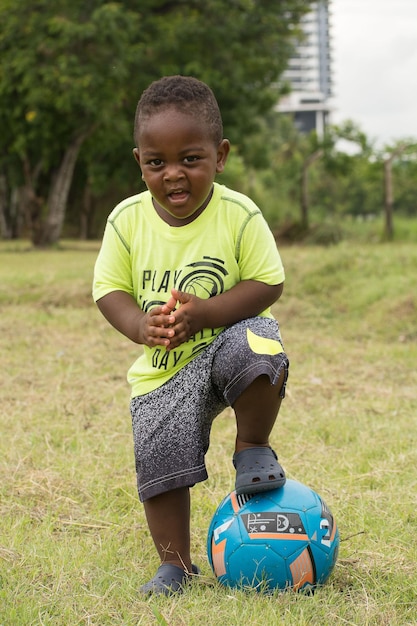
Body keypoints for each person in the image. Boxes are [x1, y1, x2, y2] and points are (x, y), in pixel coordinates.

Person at [92, 75, 289, 596]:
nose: (173, 174)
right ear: (139, 162)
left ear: (220, 156)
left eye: (191, 159)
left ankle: (251, 447)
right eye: (156, 162)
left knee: (261, 343)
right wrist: (139, 324)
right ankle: (175, 564)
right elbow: (108, 290)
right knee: (160, 459)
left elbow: (269, 282)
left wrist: (207, 314)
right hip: (163, 373)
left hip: (225, 349)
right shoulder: (126, 221)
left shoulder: (239, 213)